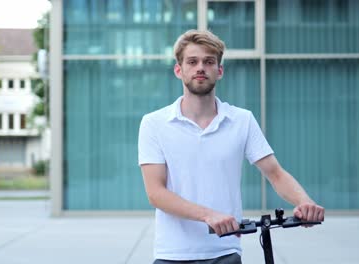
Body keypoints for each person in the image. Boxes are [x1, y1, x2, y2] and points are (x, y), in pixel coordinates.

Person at [138, 29, 324, 264]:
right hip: (172, 255)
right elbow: (156, 193)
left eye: (209, 61)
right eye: (192, 62)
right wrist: (208, 215)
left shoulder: (241, 120)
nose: (200, 68)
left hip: (225, 251)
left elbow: (275, 173)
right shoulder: (154, 123)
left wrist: (304, 201)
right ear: (179, 70)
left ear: (220, 70)